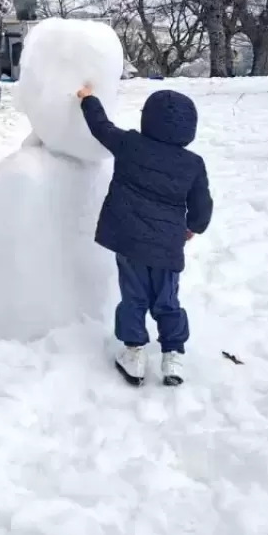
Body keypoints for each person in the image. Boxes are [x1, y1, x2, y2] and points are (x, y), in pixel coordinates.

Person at [76, 86, 213, 387]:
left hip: (130, 241)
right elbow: (202, 206)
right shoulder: (192, 164)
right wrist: (193, 227)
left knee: (134, 297)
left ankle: (134, 353)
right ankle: (173, 355)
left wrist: (88, 98)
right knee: (167, 300)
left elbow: (101, 127)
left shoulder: (129, 144)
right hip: (167, 246)